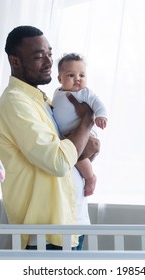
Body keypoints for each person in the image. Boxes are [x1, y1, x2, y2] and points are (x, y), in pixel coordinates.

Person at [0, 25, 99, 250]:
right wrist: (88, 120)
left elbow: (75, 151)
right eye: (39, 56)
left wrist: (87, 146)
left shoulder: (44, 100)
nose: (49, 62)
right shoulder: (16, 102)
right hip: (46, 234)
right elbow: (59, 162)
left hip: (72, 221)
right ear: (15, 61)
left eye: (50, 54)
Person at [52, 53, 108, 197]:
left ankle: (90, 178)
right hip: (69, 135)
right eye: (71, 75)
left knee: (78, 157)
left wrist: (101, 115)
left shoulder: (84, 93)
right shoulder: (57, 92)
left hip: (85, 134)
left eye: (82, 75)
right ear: (60, 78)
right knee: (72, 157)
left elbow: (98, 103)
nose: (77, 79)